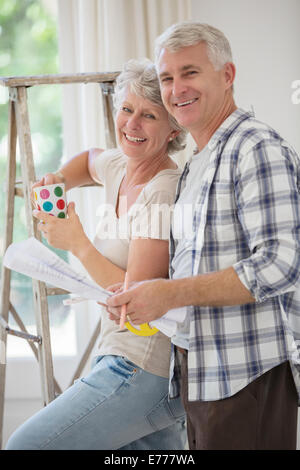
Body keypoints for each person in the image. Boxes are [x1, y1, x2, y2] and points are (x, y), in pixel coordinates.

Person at [106, 23, 300, 450]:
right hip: (202, 374)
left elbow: (281, 264)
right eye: (167, 78)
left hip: (247, 376)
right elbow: (196, 271)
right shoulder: (197, 163)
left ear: (227, 75)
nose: (176, 89)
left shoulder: (256, 148)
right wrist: (145, 297)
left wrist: (170, 293)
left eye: (189, 72)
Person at [5, 59, 187, 450]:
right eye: (126, 109)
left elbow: (135, 302)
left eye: (149, 115)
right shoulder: (122, 166)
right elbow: (89, 159)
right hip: (122, 359)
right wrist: (59, 179)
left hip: (143, 367)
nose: (132, 124)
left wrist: (77, 243)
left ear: (174, 128)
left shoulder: (164, 190)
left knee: (26, 446)